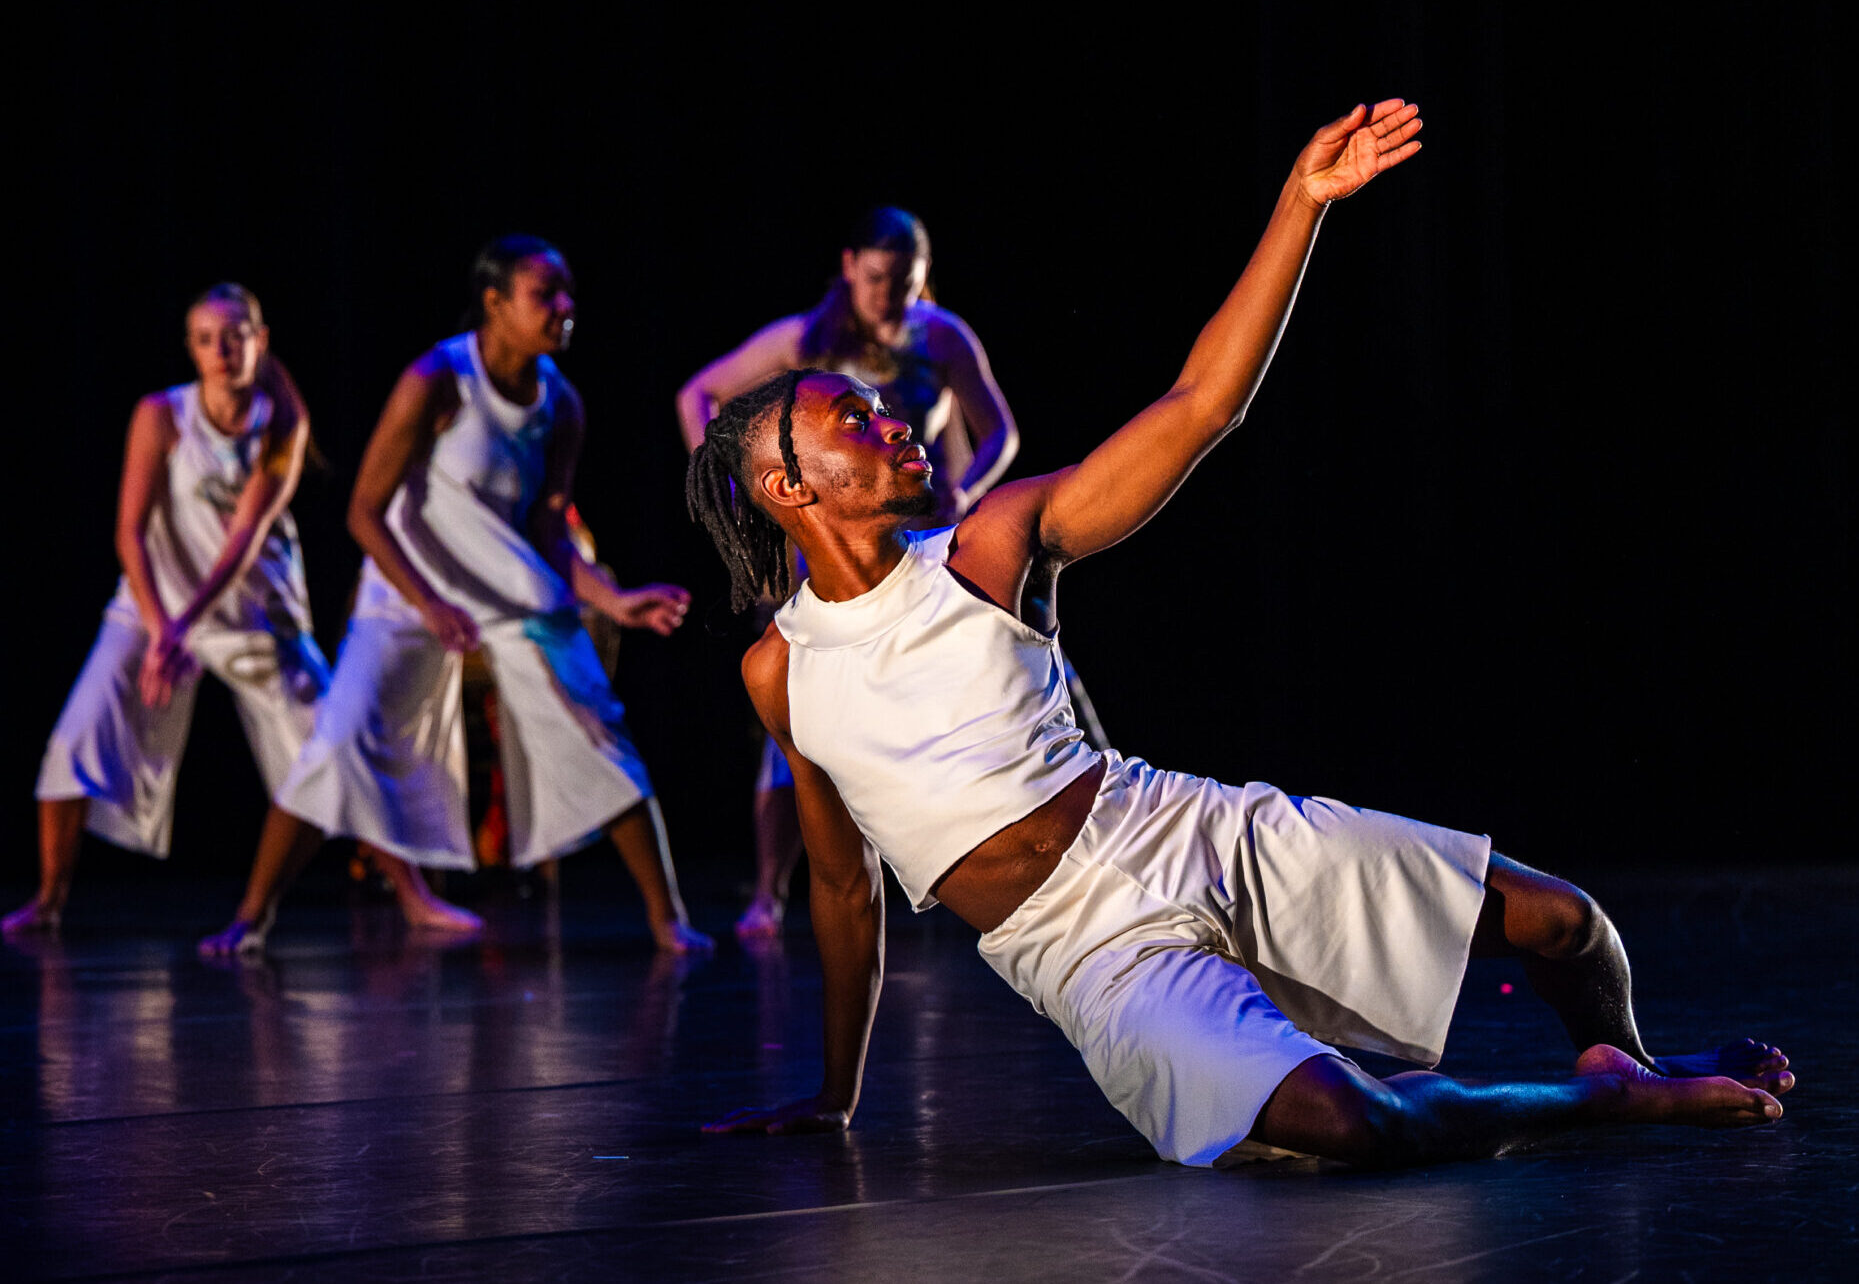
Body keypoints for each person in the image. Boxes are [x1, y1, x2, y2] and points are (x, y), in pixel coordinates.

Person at [691, 101, 1795, 1167]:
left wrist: (1300, 203)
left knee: (1567, 924)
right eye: (858, 417)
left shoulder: (992, 541)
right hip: (1090, 953)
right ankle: (1607, 1096)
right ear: (791, 483)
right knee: (1352, 1123)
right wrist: (835, 1096)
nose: (893, 419)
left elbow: (1199, 406)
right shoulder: (781, 669)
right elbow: (840, 887)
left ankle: (1630, 1060)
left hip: (1186, 831)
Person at [228, 236, 712, 955]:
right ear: (494, 303)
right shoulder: (439, 377)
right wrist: (428, 604)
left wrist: (611, 601)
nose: (563, 307)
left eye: (565, 292)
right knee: (337, 737)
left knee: (596, 729)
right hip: (405, 588)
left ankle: (666, 918)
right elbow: (364, 509)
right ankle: (252, 916)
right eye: (543, 294)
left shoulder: (562, 403)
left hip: (509, 593)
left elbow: (548, 526)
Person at [677, 209, 1104, 939]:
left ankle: (1065, 837)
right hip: (830, 555)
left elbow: (998, 426)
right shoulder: (802, 342)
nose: (888, 296)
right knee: (805, 721)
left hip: (923, 536)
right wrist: (752, 507)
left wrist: (971, 488)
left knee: (1009, 671)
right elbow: (700, 397)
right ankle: (769, 894)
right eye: (876, 280)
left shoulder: (939, 337)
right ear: (848, 267)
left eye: (903, 283)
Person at [4, 285, 477, 943]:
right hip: (150, 606)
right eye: (205, 339)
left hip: (253, 608)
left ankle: (412, 895)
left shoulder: (283, 423)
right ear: (190, 350)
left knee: (328, 742)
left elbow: (244, 537)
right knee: (80, 733)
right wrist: (160, 625)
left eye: (235, 335)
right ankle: (50, 898)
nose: (221, 351)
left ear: (261, 338)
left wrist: (184, 625)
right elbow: (129, 532)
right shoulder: (161, 414)